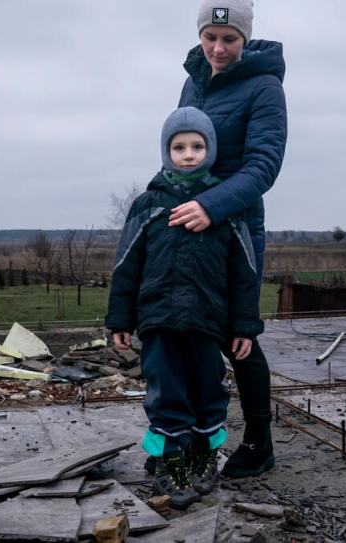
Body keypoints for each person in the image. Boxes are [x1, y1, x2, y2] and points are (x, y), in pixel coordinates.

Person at [106, 106, 264, 509]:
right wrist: (121, 319)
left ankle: (203, 453)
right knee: (166, 391)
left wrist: (244, 326)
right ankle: (170, 461)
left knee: (209, 388)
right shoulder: (149, 204)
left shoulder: (224, 206)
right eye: (179, 147)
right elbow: (126, 265)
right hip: (158, 318)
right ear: (166, 151)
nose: (188, 154)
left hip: (208, 320)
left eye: (197, 146)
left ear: (210, 150)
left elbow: (244, 272)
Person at [167, 0, 288, 479]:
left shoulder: (265, 87)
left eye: (229, 39)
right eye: (210, 37)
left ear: (245, 38)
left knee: (238, 333)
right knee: (189, 326)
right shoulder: (192, 82)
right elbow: (178, 148)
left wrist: (211, 206)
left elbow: (264, 166)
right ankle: (196, 434)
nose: (218, 48)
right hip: (188, 225)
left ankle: (259, 441)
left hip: (233, 227)